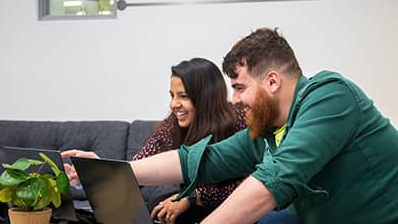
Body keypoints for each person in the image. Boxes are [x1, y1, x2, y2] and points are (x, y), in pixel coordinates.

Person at [130, 28, 398, 224]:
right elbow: (203, 160)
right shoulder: (269, 129)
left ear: (272, 81)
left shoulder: (331, 96)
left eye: (239, 88)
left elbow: (273, 181)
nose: (234, 100)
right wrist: (118, 171)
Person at [63, 57, 248, 224]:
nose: (173, 104)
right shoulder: (172, 126)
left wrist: (192, 197)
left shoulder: (240, 120)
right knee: (153, 209)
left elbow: (250, 183)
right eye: (172, 95)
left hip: (236, 206)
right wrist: (98, 169)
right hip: (191, 203)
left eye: (183, 96)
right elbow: (139, 167)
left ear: (206, 97)